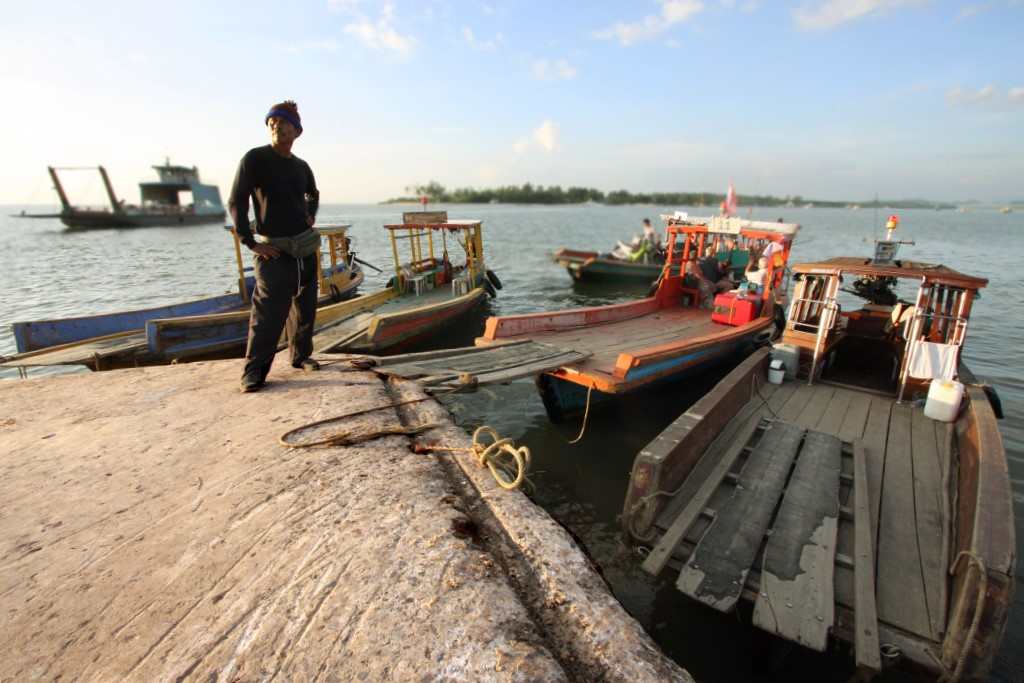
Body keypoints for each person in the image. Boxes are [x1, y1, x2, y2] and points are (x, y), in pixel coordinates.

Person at [230, 100, 321, 393]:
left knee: (305, 306)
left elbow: (312, 194)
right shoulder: (255, 159)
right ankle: (253, 372)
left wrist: (311, 214)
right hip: (274, 250)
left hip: (304, 248)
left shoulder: (301, 166)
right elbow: (237, 201)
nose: (276, 126)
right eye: (272, 123)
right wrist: (250, 242)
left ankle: (301, 356)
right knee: (268, 313)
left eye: (282, 123)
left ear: (296, 131)